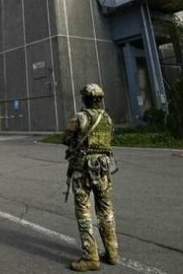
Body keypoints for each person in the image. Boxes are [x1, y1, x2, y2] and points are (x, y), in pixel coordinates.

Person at [62, 83, 119, 272]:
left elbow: (65, 138)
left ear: (85, 99)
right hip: (104, 169)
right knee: (106, 209)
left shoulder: (80, 117)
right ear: (100, 100)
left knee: (84, 211)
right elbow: (110, 138)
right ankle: (112, 253)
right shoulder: (108, 118)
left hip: (83, 170)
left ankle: (90, 257)